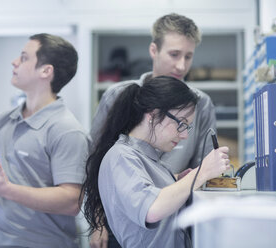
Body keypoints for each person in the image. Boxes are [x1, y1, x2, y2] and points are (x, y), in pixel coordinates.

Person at [89, 13, 217, 247]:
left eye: (188, 56)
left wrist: (184, 179)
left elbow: (202, 166)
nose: (181, 65)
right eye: (174, 54)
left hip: (174, 215)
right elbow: (95, 162)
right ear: (153, 50)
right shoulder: (118, 98)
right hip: (131, 216)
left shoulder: (201, 102)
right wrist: (97, 222)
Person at [0, 33, 89, 248]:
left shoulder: (67, 130)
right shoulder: (3, 122)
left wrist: (5, 189)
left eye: (24, 58)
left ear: (46, 71)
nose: (14, 62)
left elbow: (72, 201)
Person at [82, 76, 230, 248]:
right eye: (181, 124)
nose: (184, 135)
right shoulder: (121, 156)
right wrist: (201, 173)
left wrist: (176, 180)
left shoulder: (146, 157)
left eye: (187, 126)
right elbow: (151, 208)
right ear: (152, 114)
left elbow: (149, 190)